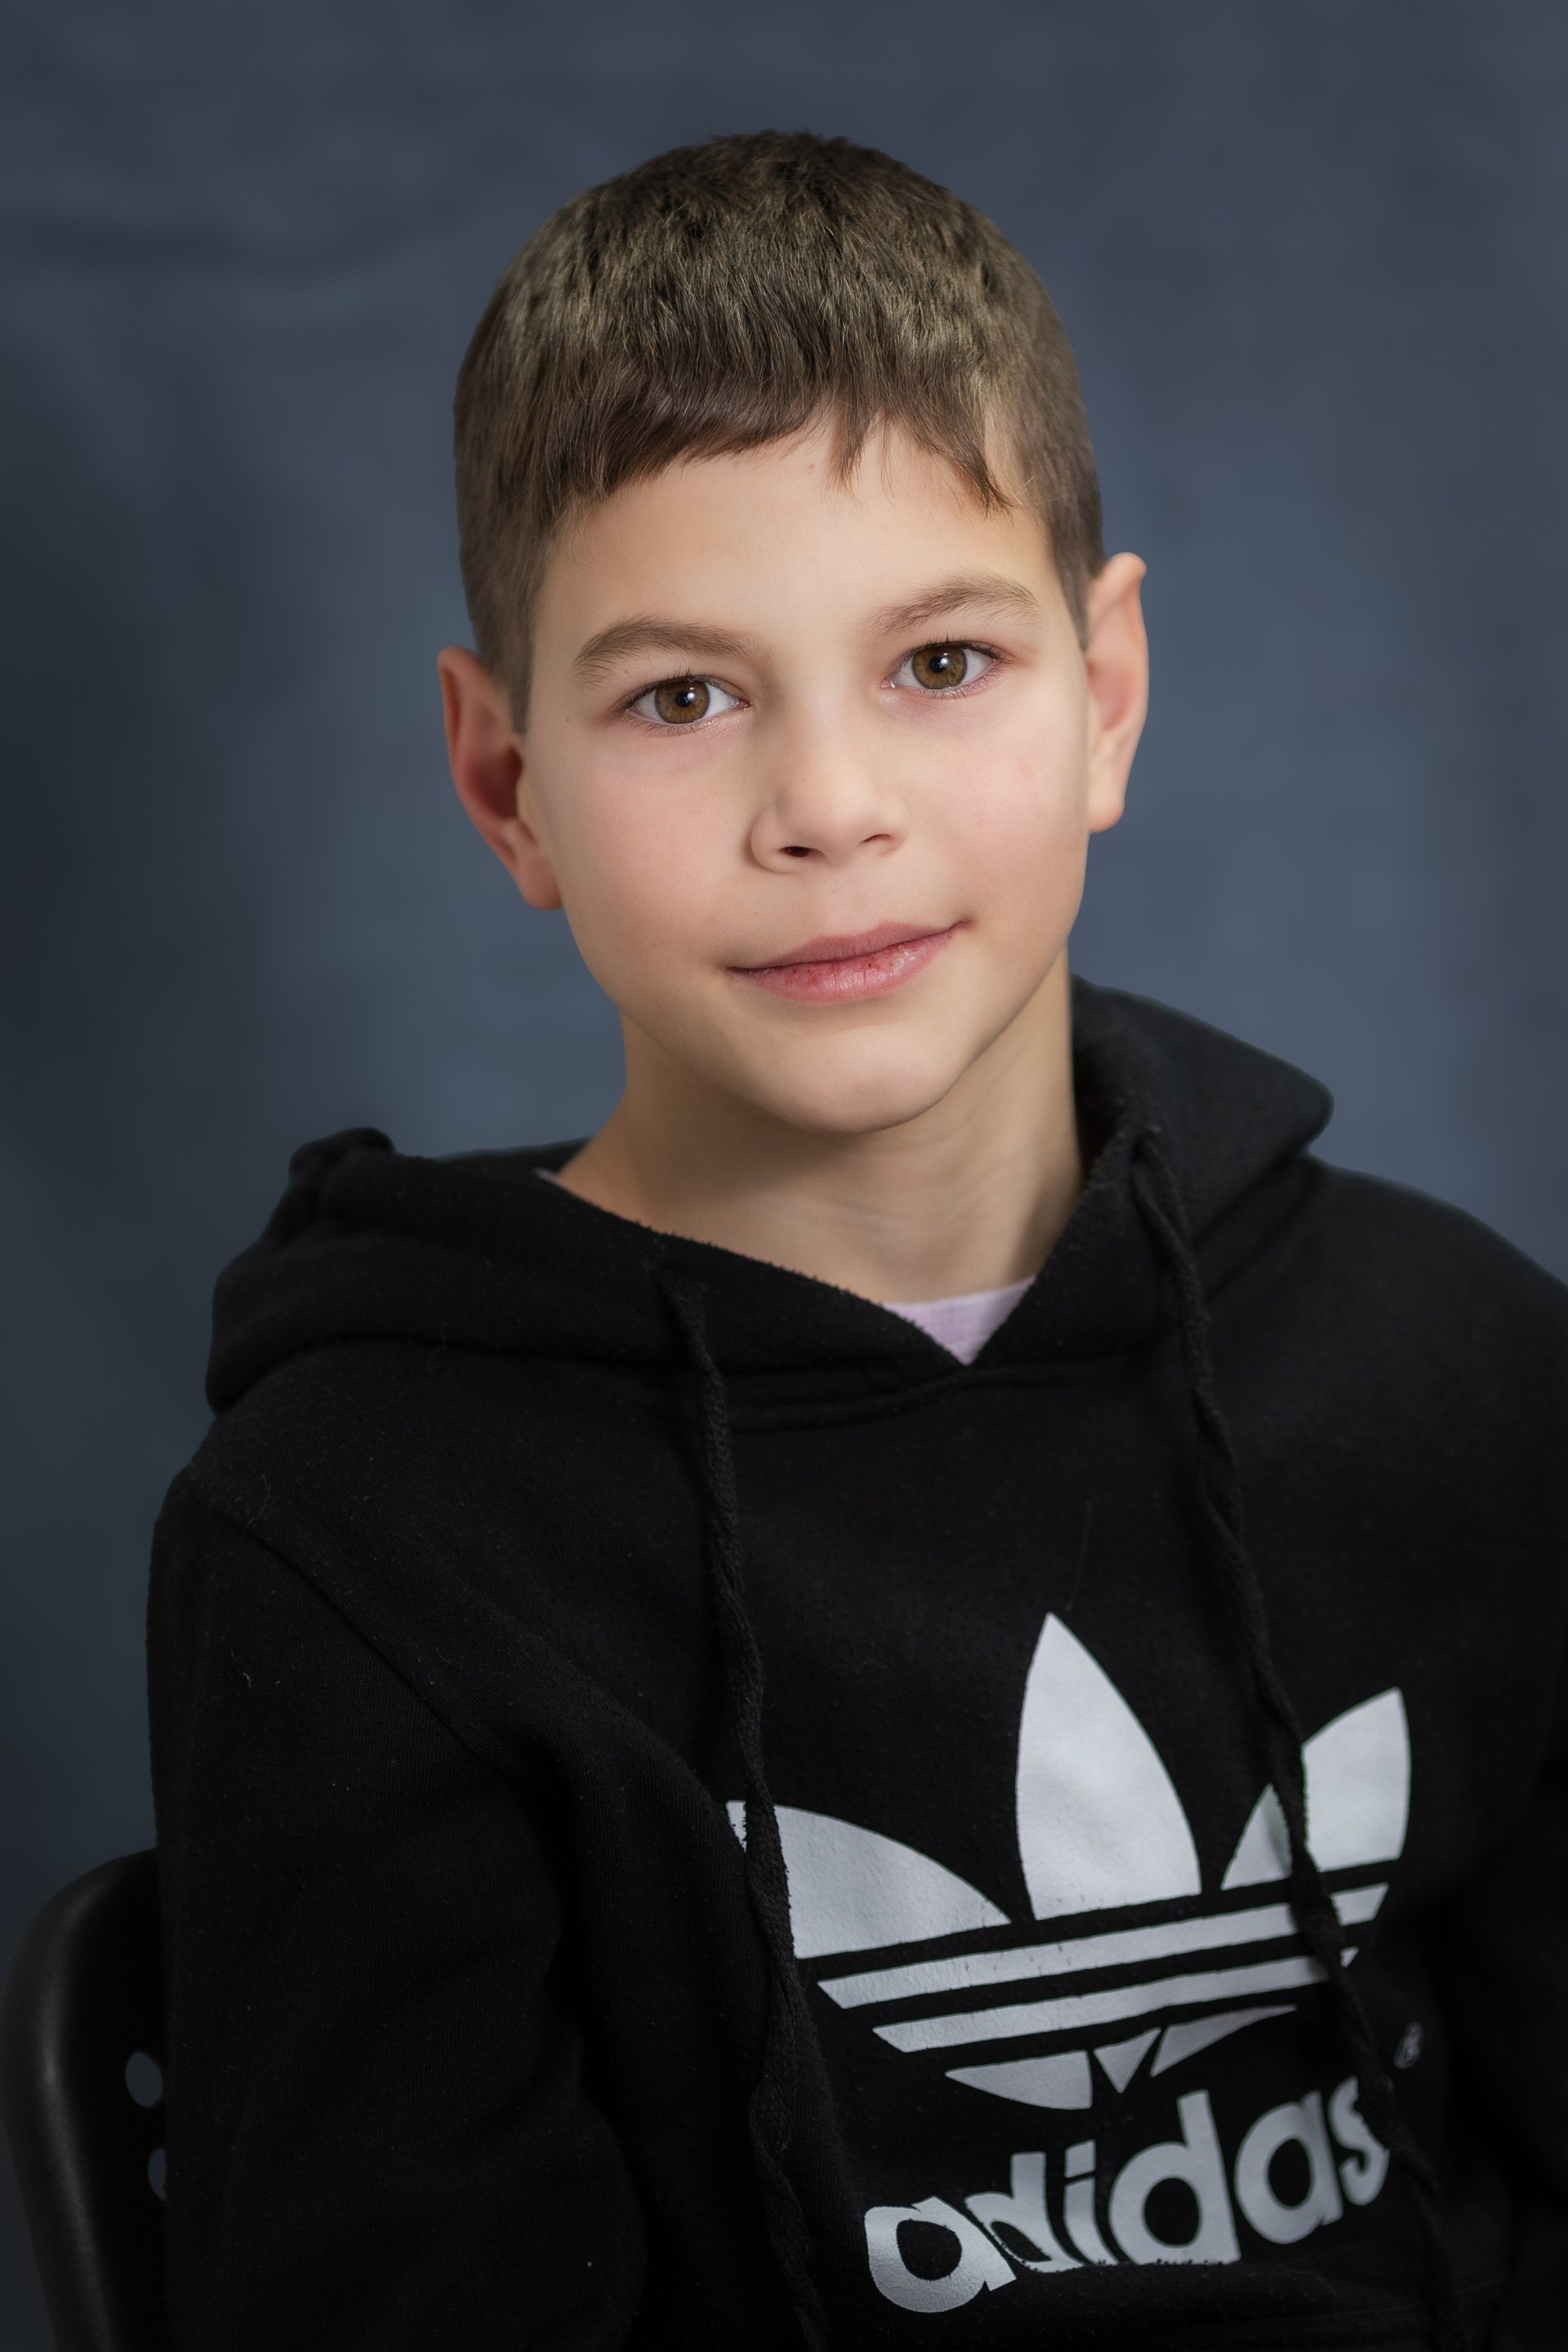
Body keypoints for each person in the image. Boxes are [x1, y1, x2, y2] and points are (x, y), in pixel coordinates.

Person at [148, 132, 1567, 2351]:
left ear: (1107, 694)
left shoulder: (1462, 1370)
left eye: (942, 661)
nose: (828, 806)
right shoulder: (362, 1526)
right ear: (506, 784)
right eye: (682, 697)